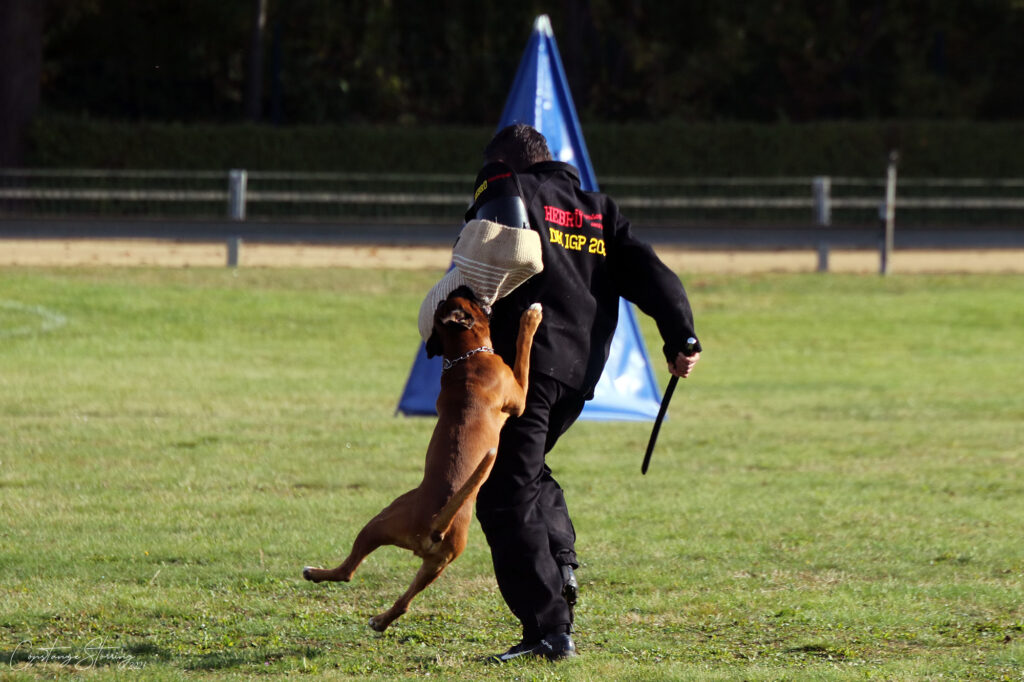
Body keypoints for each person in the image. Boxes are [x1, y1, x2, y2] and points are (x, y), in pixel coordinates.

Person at [467, 124, 702, 662]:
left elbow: (485, 219)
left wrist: (494, 179)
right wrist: (680, 334)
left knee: (503, 493)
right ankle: (562, 560)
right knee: (523, 472)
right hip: (577, 376)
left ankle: (549, 631)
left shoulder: (516, 189)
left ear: (510, 163)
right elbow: (649, 271)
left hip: (525, 368)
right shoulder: (599, 210)